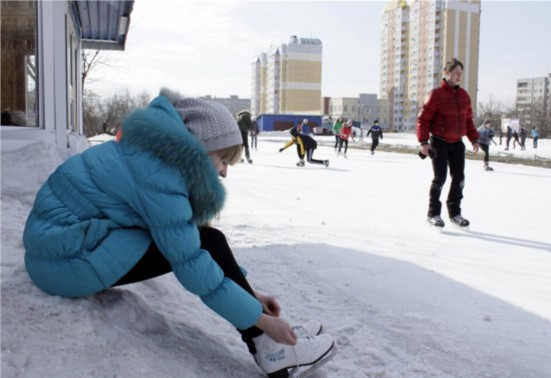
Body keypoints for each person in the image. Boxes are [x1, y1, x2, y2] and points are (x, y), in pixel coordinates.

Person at [21, 89, 335, 377]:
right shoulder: (161, 172)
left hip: (63, 247)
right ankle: (270, 348)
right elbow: (191, 262)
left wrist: (250, 294)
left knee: (202, 238)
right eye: (223, 159)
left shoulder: (150, 153)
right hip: (64, 261)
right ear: (201, 148)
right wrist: (260, 319)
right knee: (203, 242)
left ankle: (270, 341)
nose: (224, 172)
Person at [416, 58, 479, 228]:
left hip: (457, 144)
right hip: (439, 142)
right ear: (447, 73)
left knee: (459, 179)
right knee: (440, 178)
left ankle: (455, 213)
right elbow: (423, 120)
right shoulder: (435, 95)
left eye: (461, 73)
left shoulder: (464, 96)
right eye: (456, 73)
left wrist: (474, 138)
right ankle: (433, 213)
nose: (459, 76)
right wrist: (423, 142)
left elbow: (468, 121)